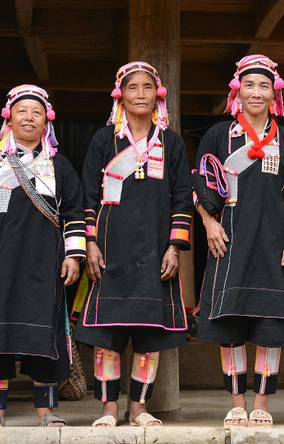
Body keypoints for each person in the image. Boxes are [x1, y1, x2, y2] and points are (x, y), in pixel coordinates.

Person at [0, 85, 84, 427]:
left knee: (46, 336)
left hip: (47, 266)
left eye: (36, 112)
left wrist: (73, 256)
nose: (29, 117)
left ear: (47, 121)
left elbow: (73, 214)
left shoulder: (60, 167)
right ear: (8, 118)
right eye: (22, 111)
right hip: (0, 263)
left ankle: (47, 410)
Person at [74, 61, 193, 427]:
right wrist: (89, 243)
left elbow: (183, 198)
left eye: (146, 87)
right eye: (132, 87)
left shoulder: (170, 142)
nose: (140, 94)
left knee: (149, 336)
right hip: (108, 253)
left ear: (157, 94)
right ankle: (109, 409)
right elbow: (88, 195)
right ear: (120, 95)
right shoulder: (103, 139)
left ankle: (139, 408)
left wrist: (174, 247)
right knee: (106, 336)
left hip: (156, 252)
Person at [193, 54, 284, 429]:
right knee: (231, 324)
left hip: (275, 242)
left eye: (264, 85)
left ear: (275, 93)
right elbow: (204, 185)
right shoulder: (218, 135)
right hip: (230, 240)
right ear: (236, 91)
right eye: (249, 85)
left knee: (270, 324)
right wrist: (209, 223)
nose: (256, 92)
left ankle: (262, 402)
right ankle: (237, 402)